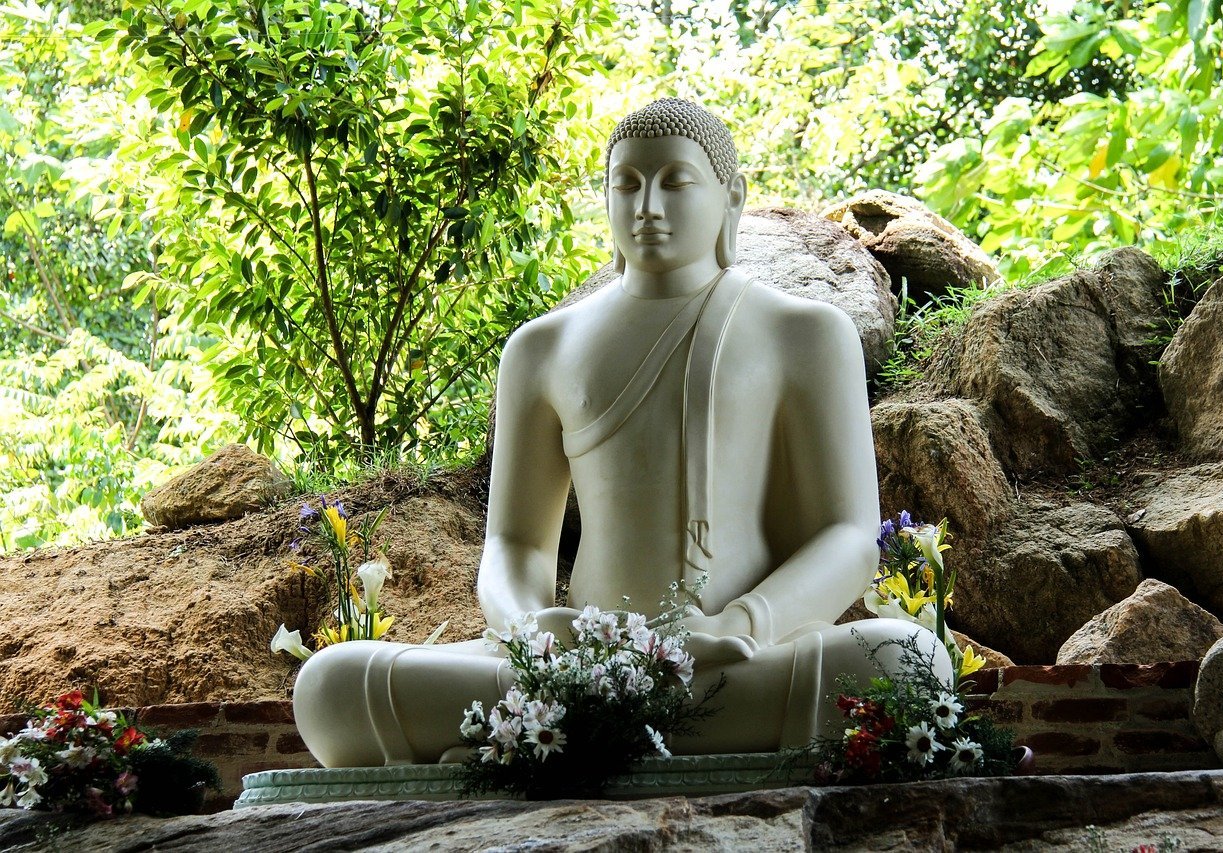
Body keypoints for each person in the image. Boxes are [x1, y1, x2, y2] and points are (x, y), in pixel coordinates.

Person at [293, 98, 951, 767]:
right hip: (574, 667)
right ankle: (607, 719)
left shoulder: (803, 333)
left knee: (906, 662)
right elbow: (515, 541)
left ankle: (561, 738)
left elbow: (845, 537)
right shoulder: (541, 348)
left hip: (729, 660)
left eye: (675, 182)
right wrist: (529, 632)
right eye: (627, 185)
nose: (647, 207)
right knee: (330, 686)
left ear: (731, 197)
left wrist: (740, 625)